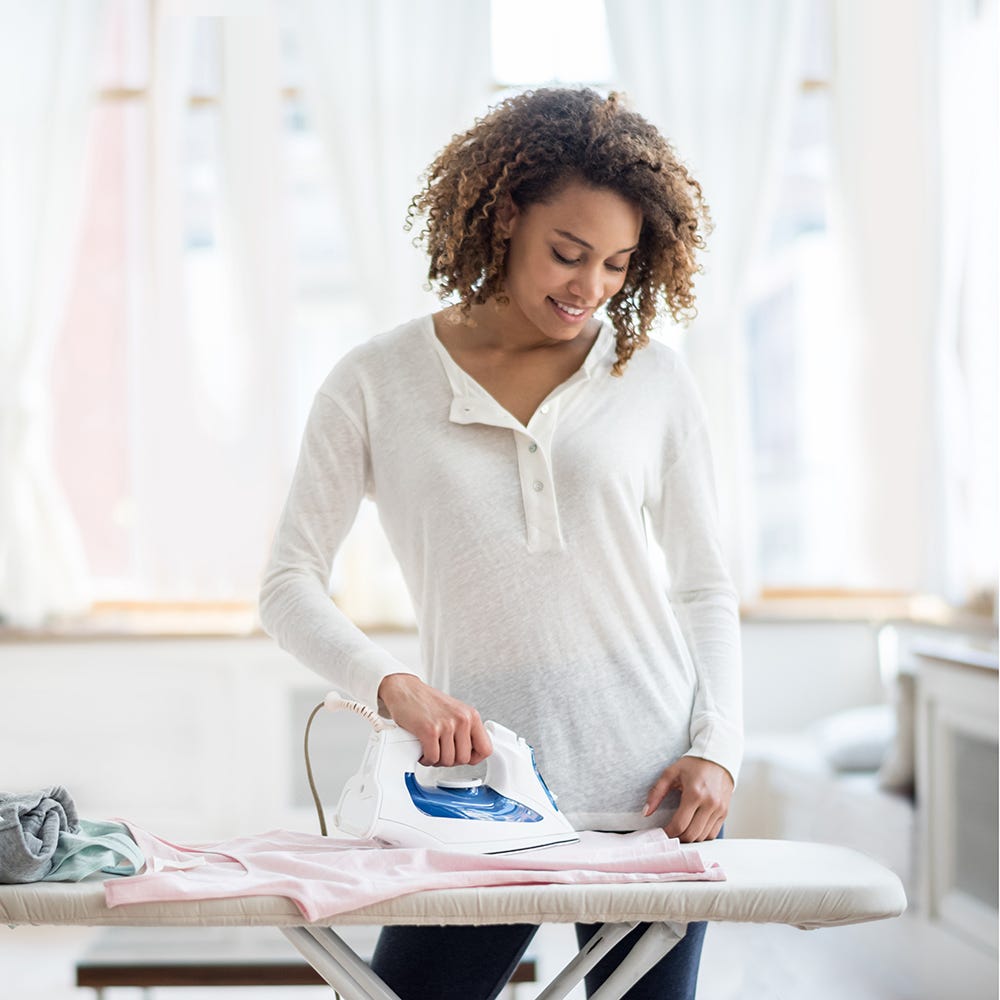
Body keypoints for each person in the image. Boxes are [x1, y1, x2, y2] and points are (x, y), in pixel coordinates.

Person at [260, 87, 742, 1000]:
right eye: (568, 253)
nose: (589, 288)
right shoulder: (374, 381)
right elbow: (287, 584)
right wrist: (391, 688)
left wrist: (718, 746)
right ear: (504, 216)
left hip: (657, 791)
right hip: (474, 794)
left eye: (617, 264)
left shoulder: (654, 382)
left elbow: (705, 587)